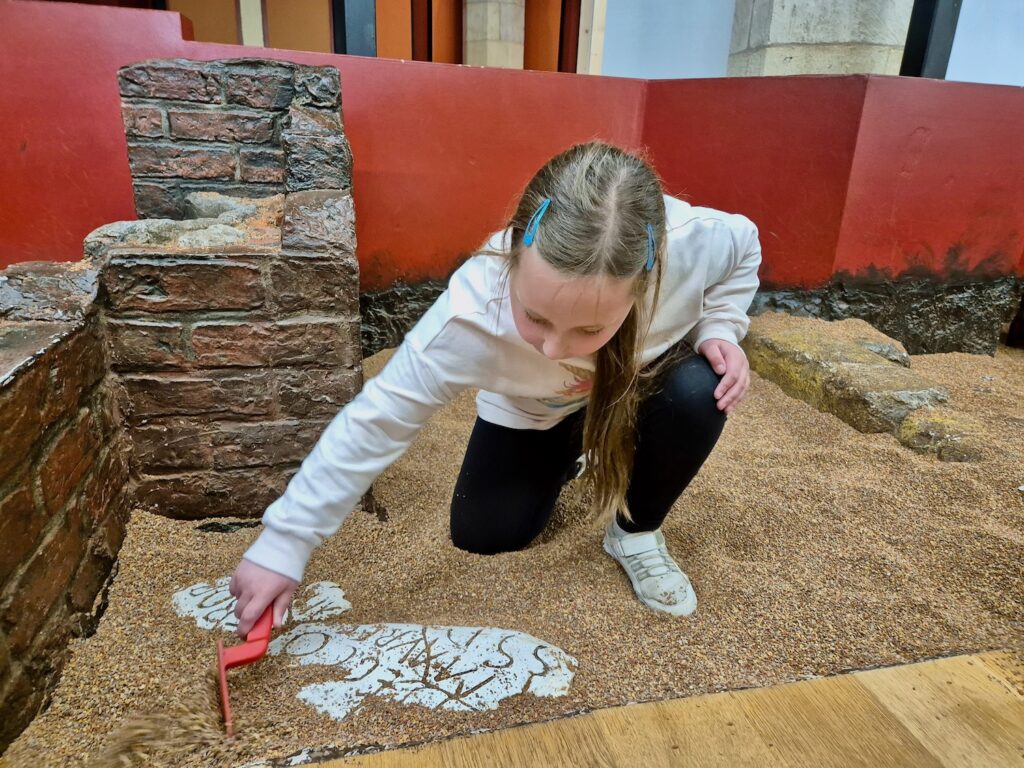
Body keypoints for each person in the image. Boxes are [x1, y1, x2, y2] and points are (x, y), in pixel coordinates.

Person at [229, 141, 761, 636]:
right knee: (486, 534)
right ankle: (571, 453)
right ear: (512, 254)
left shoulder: (697, 241)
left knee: (703, 389)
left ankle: (636, 529)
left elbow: (745, 252)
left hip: (636, 392)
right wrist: (283, 544)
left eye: (590, 329)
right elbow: (380, 417)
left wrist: (719, 327)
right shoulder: (469, 313)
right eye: (535, 317)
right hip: (539, 411)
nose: (554, 349)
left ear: (646, 277)